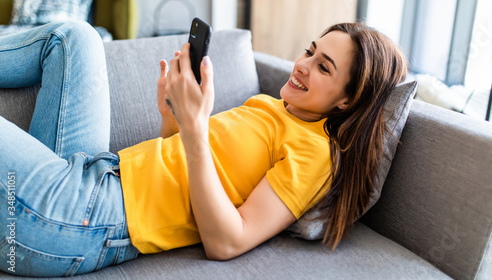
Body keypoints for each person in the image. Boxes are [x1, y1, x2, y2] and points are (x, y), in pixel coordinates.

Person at [0, 20, 407, 277]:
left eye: (324, 67)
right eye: (310, 51)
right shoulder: (271, 105)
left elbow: (227, 242)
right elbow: (181, 169)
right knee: (73, 37)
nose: (302, 64)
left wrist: (194, 132)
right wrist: (172, 118)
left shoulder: (315, 154)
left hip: (82, 220)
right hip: (95, 172)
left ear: (348, 101)